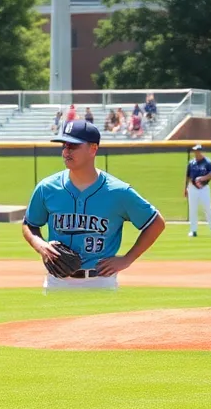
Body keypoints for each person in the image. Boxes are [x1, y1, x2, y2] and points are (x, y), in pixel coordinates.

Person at [23, 119, 166, 291]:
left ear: (93, 149)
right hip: (57, 282)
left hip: (100, 282)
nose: (66, 151)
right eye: (64, 146)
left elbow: (156, 223)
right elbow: (30, 225)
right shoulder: (47, 188)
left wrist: (127, 259)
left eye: (73, 146)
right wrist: (40, 245)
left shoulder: (119, 192)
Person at [184, 144, 211, 238]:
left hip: (204, 188)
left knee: (208, 208)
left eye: (198, 150)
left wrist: (202, 178)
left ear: (201, 151)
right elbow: (187, 176)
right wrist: (185, 189)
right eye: (195, 150)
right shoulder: (191, 163)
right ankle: (193, 230)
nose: (196, 152)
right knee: (193, 209)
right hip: (192, 188)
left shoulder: (207, 162)